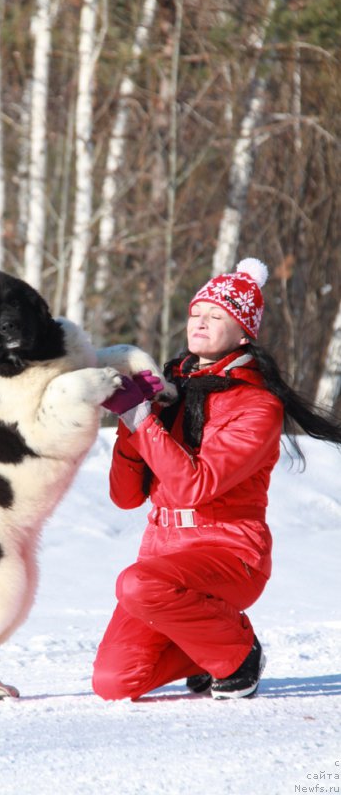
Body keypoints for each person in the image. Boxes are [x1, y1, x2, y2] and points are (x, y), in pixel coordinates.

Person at [92, 258, 341, 701]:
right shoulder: (169, 391)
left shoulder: (257, 405)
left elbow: (195, 485)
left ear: (244, 333)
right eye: (196, 313)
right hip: (162, 556)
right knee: (113, 683)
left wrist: (141, 418)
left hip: (229, 555)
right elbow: (126, 497)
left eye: (216, 316)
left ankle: (239, 655)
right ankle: (208, 650)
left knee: (137, 584)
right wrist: (134, 422)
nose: (201, 322)